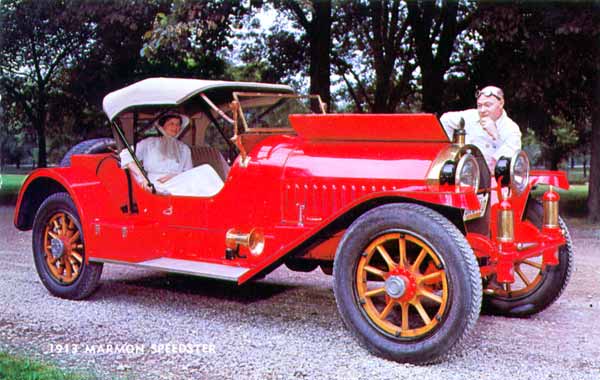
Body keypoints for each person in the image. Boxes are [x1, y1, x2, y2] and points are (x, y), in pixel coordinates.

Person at [119, 113, 224, 197]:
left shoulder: (184, 148)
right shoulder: (149, 143)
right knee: (205, 172)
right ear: (162, 126)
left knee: (205, 170)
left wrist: (175, 176)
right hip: (154, 184)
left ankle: (222, 199)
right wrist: (143, 178)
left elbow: (189, 173)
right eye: (171, 124)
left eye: (178, 124)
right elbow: (125, 155)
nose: (175, 127)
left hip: (178, 184)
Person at [440, 86, 522, 171]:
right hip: (465, 175)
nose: (482, 110)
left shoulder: (511, 129)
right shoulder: (470, 116)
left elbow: (509, 163)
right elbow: (445, 120)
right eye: (479, 105)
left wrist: (495, 136)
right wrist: (449, 152)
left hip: (493, 179)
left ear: (501, 103)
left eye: (487, 105)